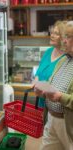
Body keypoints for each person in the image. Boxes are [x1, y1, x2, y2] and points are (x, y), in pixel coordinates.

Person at [34, 21, 73, 150]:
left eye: (68, 37)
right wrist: (43, 91)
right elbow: (52, 83)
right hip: (51, 118)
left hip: (68, 124)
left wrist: (60, 97)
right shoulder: (64, 59)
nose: (64, 40)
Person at [34, 21, 66, 107]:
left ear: (63, 38)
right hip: (41, 104)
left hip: (55, 107)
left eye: (56, 34)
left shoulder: (66, 58)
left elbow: (60, 86)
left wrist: (41, 88)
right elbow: (38, 72)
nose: (52, 35)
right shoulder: (48, 51)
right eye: (52, 33)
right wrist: (36, 82)